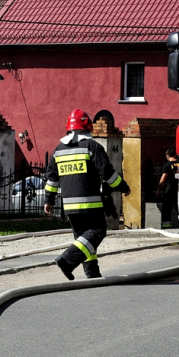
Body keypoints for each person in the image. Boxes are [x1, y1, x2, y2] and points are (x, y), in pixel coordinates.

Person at [43, 109, 131, 280]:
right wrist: (123, 187)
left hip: (69, 205)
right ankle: (67, 260)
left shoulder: (58, 150)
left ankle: (92, 274)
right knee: (97, 231)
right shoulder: (92, 146)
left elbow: (51, 179)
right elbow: (108, 174)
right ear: (88, 127)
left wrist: (49, 200)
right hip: (89, 203)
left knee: (84, 240)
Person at [155, 149, 179, 229]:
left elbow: (163, 179)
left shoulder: (167, 165)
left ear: (167, 156)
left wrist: (159, 190)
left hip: (170, 189)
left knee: (166, 209)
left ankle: (167, 227)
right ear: (175, 155)